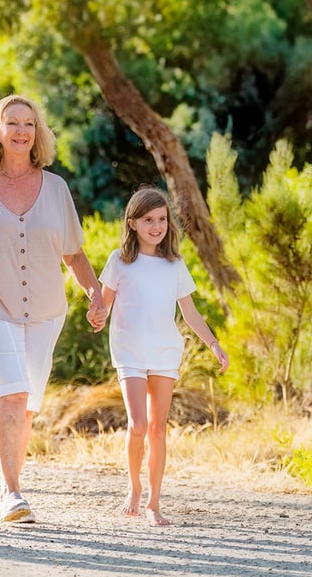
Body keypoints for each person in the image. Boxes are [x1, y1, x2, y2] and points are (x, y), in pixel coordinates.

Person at [0, 95, 106, 524]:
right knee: (10, 391)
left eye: (28, 123)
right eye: (11, 123)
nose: (20, 131)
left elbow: (75, 254)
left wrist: (95, 294)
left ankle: (8, 482)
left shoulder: (57, 188)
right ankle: (11, 492)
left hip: (47, 311)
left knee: (26, 402)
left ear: (37, 132)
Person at [95, 187, 229, 526]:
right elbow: (102, 307)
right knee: (138, 425)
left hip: (165, 353)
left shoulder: (175, 265)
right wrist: (94, 316)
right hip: (129, 352)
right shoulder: (119, 261)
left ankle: (154, 503)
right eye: (148, 220)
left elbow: (191, 314)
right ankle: (134, 488)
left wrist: (214, 344)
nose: (157, 226)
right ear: (133, 223)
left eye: (162, 220)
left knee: (157, 430)